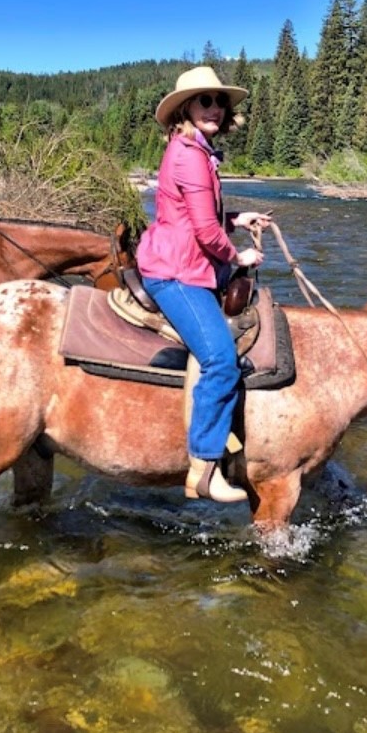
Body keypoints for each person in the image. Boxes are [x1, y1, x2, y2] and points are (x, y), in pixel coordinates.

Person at [136, 66, 273, 503]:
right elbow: (205, 232)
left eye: (219, 101)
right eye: (204, 100)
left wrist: (238, 218)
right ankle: (203, 468)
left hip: (186, 261)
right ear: (185, 109)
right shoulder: (190, 154)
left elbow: (201, 218)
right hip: (175, 271)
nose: (214, 108)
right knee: (220, 359)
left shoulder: (197, 149)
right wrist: (239, 254)